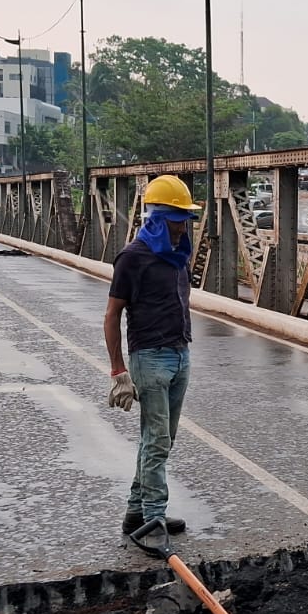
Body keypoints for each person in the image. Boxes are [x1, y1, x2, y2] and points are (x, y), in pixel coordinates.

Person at [105, 175, 200, 545]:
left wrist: (184, 351)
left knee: (161, 439)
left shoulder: (179, 254)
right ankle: (154, 518)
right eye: (179, 219)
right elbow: (112, 315)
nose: (184, 227)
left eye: (187, 219)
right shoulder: (133, 258)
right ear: (158, 217)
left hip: (180, 353)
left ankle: (136, 512)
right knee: (157, 439)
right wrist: (118, 371)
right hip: (150, 357)